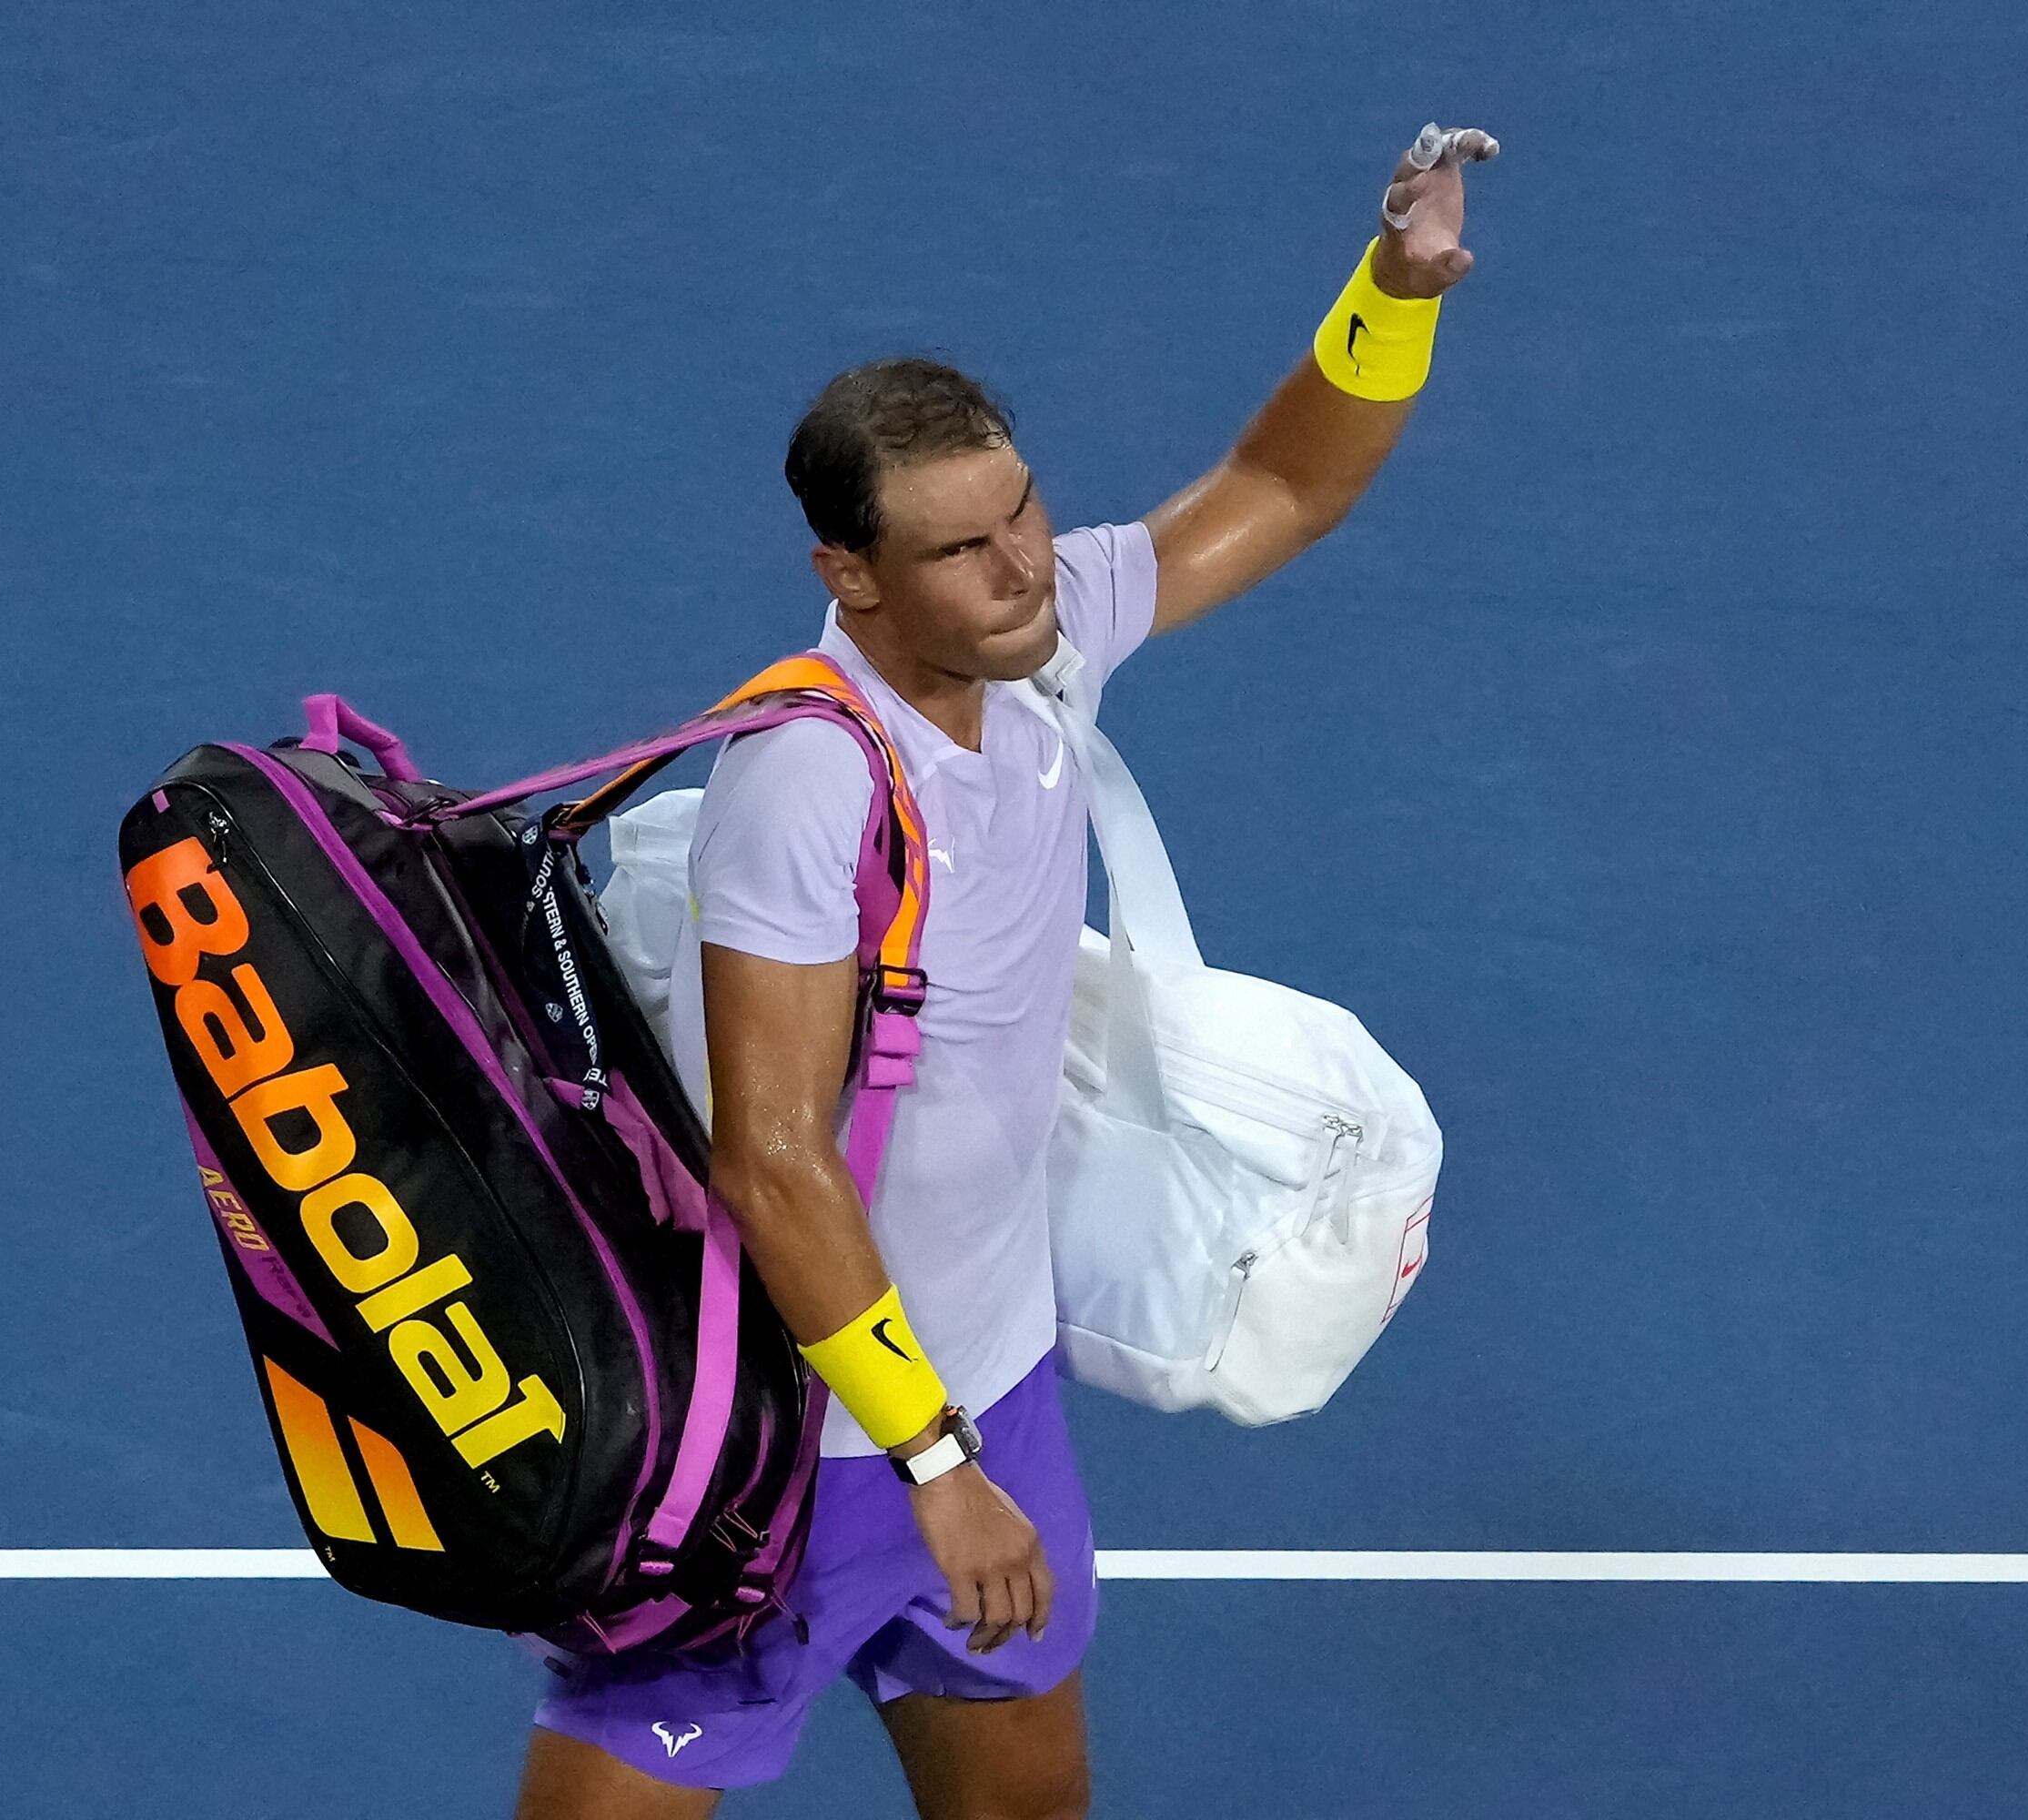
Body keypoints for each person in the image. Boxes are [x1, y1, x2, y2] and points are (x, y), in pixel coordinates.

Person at [517, 120, 1498, 1820]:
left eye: (1025, 511)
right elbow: (772, 1156)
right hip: (788, 1455)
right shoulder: (810, 782)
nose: (1028, 564)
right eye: (964, 550)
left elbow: (1281, 487)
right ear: (852, 577)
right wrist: (933, 1462)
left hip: (994, 1394)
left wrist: (1391, 290)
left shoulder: (1034, 653)